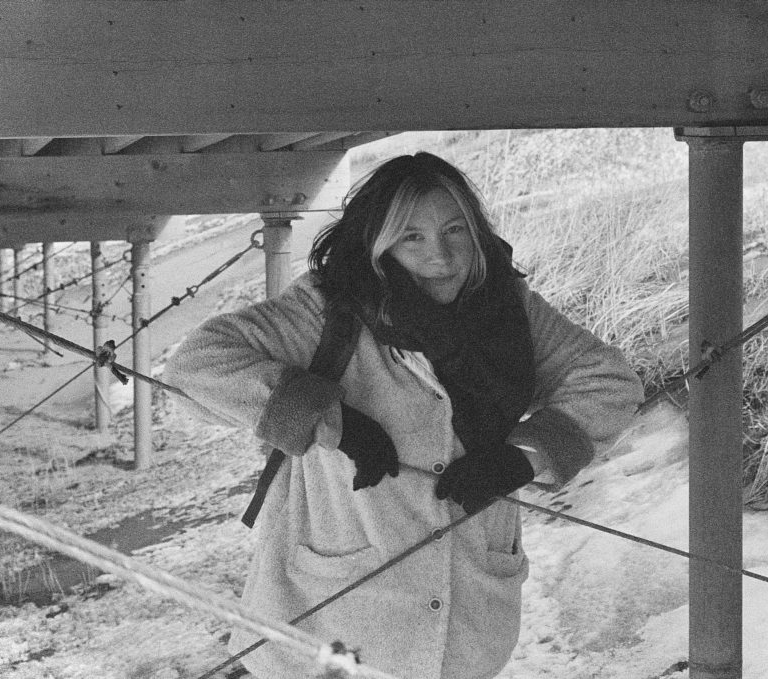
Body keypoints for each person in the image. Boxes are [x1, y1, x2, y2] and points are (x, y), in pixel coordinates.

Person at [164, 152, 643, 679]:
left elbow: (611, 383)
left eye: (455, 229)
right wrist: (334, 423)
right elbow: (197, 364)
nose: (441, 254)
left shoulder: (509, 310)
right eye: (412, 237)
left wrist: (523, 458)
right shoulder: (331, 310)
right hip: (332, 621)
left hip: (466, 624)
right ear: (379, 243)